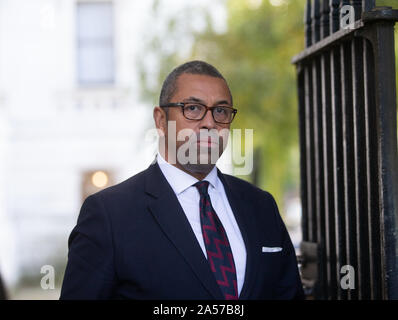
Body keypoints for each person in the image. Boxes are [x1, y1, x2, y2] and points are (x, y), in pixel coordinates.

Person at [60, 60, 304, 300]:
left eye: (220, 111)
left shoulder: (261, 206)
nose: (209, 122)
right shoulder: (109, 215)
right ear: (161, 121)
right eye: (193, 108)